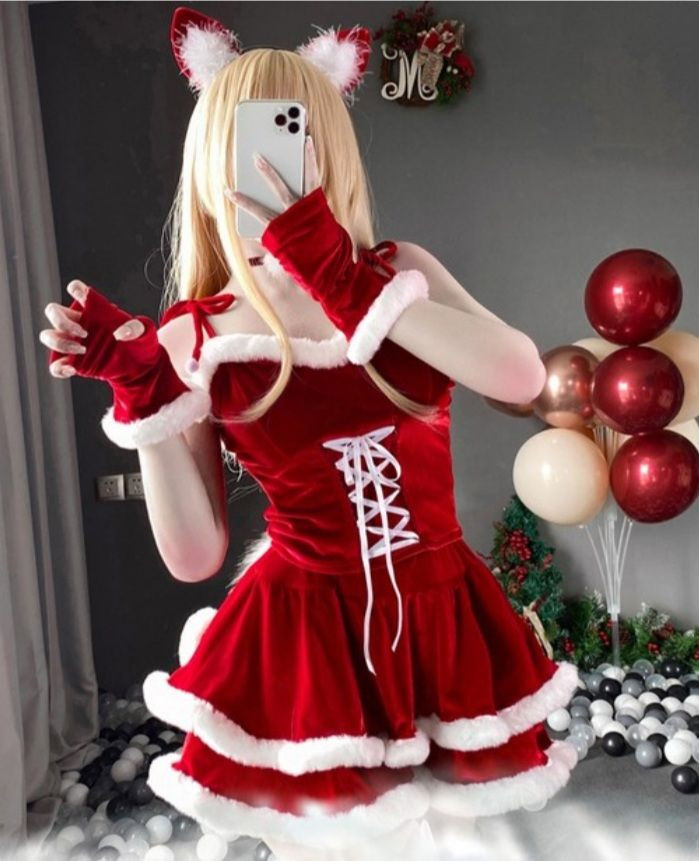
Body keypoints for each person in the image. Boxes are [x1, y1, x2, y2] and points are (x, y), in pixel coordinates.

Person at [39, 7, 580, 859]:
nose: (265, 161)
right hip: (303, 640)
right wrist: (141, 390)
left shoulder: (399, 273)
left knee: (454, 837)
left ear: (329, 149)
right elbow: (193, 555)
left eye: (291, 135)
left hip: (441, 618)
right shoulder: (195, 333)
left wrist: (339, 275)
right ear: (207, 161)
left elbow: (519, 376)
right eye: (241, 141)